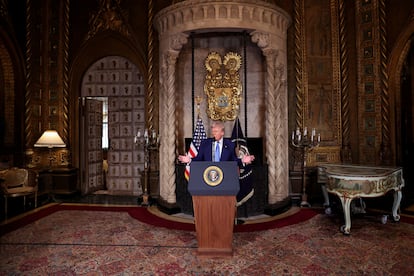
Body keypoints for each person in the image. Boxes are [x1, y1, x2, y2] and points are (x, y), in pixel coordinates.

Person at [178, 121, 255, 165]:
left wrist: (242, 160)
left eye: (216, 131)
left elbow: (233, 160)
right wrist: (189, 160)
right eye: (213, 131)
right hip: (207, 176)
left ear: (222, 132)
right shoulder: (205, 143)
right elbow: (199, 159)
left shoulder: (230, 144)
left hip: (224, 177)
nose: (213, 134)